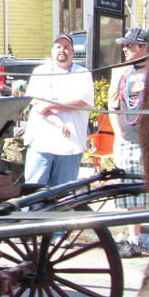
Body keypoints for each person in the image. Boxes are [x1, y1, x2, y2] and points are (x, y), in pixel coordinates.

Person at [23, 33, 94, 187]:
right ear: (52, 50)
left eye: (67, 47)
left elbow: (81, 101)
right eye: (59, 47)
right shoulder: (40, 72)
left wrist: (49, 105)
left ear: (73, 52)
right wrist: (57, 120)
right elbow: (36, 103)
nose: (62, 50)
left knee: (63, 195)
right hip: (41, 143)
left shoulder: (83, 74)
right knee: (32, 192)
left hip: (71, 145)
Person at [108, 27, 149, 258]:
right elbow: (112, 105)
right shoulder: (122, 73)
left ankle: (145, 238)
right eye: (124, 45)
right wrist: (117, 134)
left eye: (130, 45)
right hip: (127, 139)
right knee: (132, 194)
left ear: (144, 47)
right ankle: (133, 238)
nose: (125, 49)